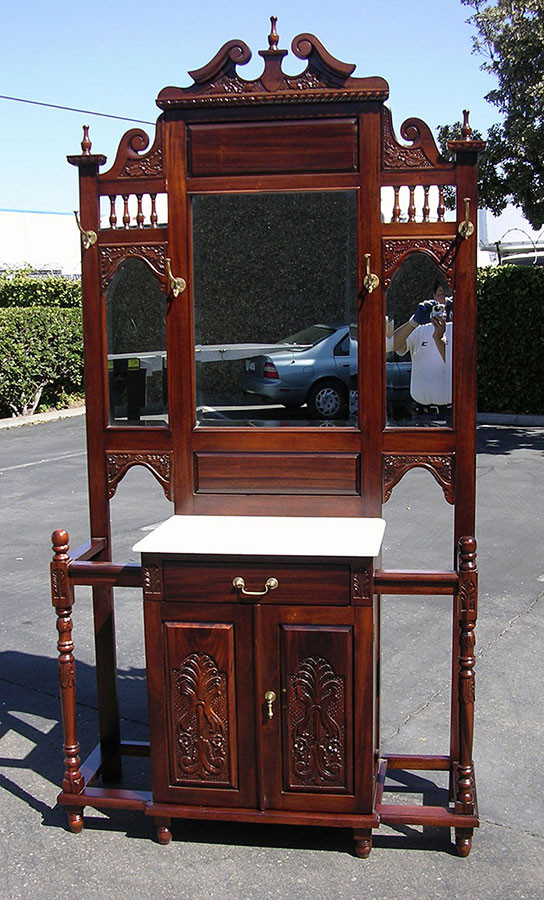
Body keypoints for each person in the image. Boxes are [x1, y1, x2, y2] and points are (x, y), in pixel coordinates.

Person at [393, 281, 453, 423]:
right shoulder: (419, 328)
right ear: (433, 298)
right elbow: (393, 345)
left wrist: (438, 338)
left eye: (449, 297)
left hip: (450, 415)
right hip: (420, 415)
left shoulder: (460, 329)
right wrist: (414, 322)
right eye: (441, 295)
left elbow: (456, 366)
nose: (445, 301)